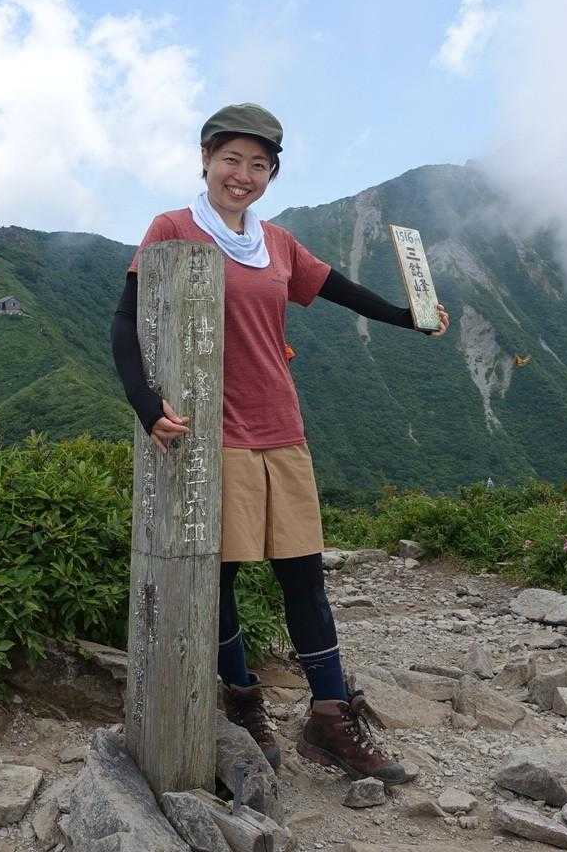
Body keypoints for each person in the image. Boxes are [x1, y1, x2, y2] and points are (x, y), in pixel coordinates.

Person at [109, 102, 450, 785]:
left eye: (259, 165)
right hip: (213, 434)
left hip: (281, 429)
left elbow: (340, 290)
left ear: (272, 175)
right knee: (221, 578)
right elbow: (123, 324)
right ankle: (243, 702)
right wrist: (146, 406)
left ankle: (330, 717)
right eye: (231, 159)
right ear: (206, 160)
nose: (243, 175)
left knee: (304, 577)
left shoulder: (278, 243)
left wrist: (409, 318)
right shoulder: (173, 229)